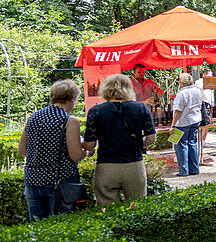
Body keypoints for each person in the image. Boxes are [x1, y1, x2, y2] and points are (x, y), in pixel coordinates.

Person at [18, 80, 90, 221]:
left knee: (37, 229)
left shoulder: (34, 117)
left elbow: (22, 149)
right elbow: (75, 155)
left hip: (32, 180)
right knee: (62, 228)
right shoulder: (69, 120)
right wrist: (87, 152)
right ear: (72, 99)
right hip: (60, 182)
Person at [82, 74, 156, 206]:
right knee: (138, 210)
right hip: (134, 165)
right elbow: (151, 138)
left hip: (106, 167)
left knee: (108, 212)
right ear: (129, 88)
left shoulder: (96, 111)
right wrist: (137, 144)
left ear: (105, 89)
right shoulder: (141, 108)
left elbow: (90, 144)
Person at [170, 73, 203, 176]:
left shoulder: (182, 93)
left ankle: (184, 171)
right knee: (192, 143)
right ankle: (194, 169)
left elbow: (177, 111)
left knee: (181, 145)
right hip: (195, 119)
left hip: (183, 122)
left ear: (181, 83)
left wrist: (173, 125)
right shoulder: (197, 91)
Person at [195, 69, 214, 143]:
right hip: (201, 103)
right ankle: (199, 139)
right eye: (209, 75)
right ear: (204, 75)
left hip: (209, 103)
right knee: (201, 121)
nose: (211, 77)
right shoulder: (198, 82)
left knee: (207, 121)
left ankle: (203, 140)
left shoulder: (211, 83)